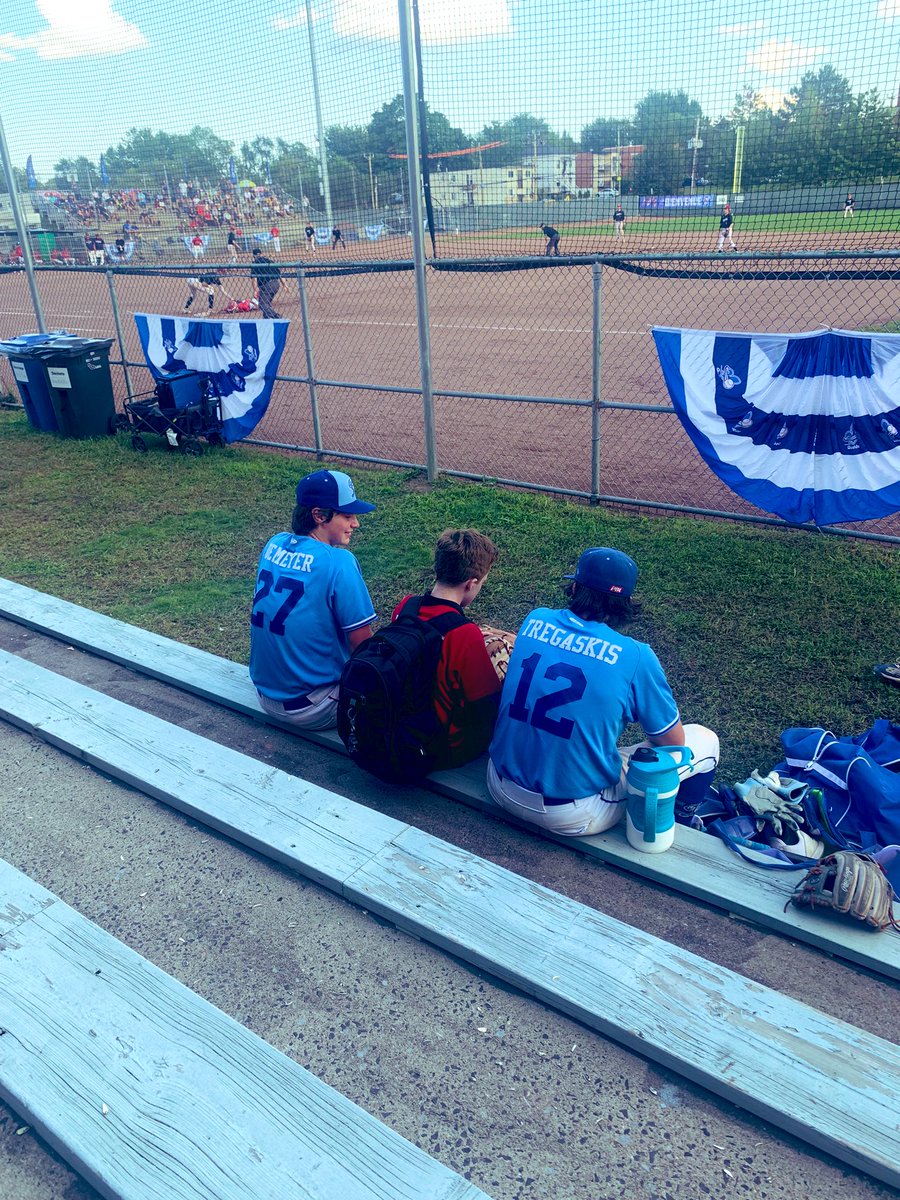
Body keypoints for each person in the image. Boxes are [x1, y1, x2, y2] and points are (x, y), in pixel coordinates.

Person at [487, 547, 719, 837]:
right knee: (705, 742)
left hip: (498, 784)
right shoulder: (635, 656)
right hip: (571, 813)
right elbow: (673, 742)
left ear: (574, 587)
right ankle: (683, 823)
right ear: (626, 602)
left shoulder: (535, 619)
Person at [249, 469, 377, 729]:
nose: (356, 524)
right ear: (319, 515)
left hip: (265, 694)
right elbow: (362, 646)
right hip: (313, 706)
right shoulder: (339, 562)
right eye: (347, 516)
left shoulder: (274, 543)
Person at [390, 530, 506, 770]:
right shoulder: (463, 633)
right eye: (481, 584)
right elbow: (487, 704)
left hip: (397, 721)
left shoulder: (406, 606)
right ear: (471, 584)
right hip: (438, 747)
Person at [250, 246, 283, 318]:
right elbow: (279, 274)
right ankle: (267, 319)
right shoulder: (269, 261)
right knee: (266, 303)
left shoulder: (255, 263)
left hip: (267, 286)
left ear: (254, 256)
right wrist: (285, 285)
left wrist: (255, 290)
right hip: (276, 284)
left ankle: (276, 317)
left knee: (262, 305)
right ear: (261, 254)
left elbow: (254, 279)